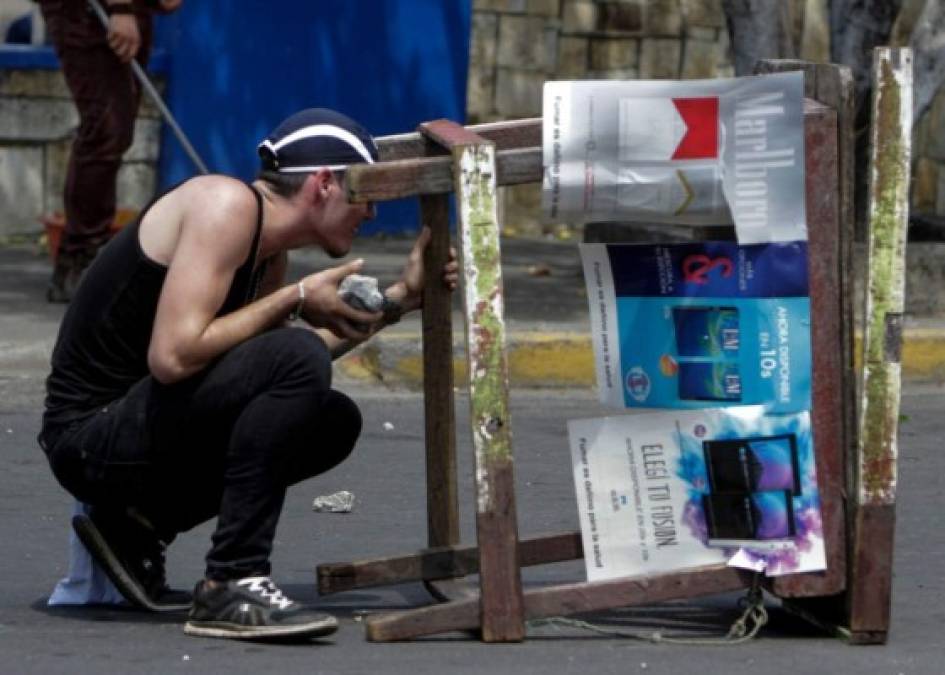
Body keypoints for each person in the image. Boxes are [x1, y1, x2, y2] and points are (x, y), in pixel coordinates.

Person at [38, 107, 459, 641]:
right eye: (365, 195)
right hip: (86, 438)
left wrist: (402, 300)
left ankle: (135, 528)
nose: (372, 213)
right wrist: (300, 297)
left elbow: (264, 374)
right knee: (296, 357)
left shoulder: (267, 252)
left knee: (331, 420)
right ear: (324, 183)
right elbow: (172, 357)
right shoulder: (225, 205)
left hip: (134, 426)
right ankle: (231, 580)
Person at [37, 0, 184, 303]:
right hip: (89, 10)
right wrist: (121, 7)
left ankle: (82, 257)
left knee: (116, 132)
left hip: (127, 10)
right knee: (106, 130)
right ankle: (81, 259)